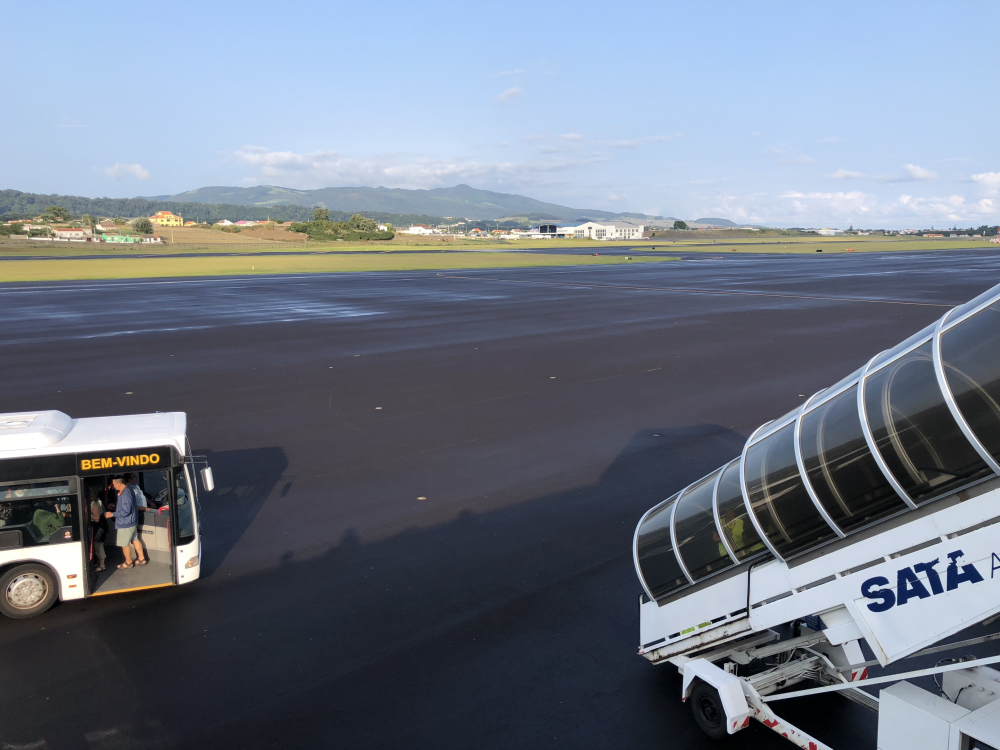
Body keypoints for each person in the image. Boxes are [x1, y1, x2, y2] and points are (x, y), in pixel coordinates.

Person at [104, 476, 147, 569]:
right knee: (135, 539)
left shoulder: (124, 495)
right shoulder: (129, 490)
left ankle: (128, 562)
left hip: (125, 523)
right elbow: (127, 506)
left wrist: (112, 514)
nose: (113, 486)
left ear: (119, 484)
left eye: (114, 484)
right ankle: (141, 559)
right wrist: (116, 505)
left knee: (124, 544)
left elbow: (126, 511)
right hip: (132, 521)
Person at [90, 499, 108, 572]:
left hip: (99, 528)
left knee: (98, 546)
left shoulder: (94, 505)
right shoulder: (94, 503)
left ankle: (102, 565)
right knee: (95, 546)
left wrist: (87, 512)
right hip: (97, 527)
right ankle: (98, 563)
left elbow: (97, 519)